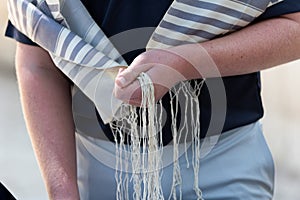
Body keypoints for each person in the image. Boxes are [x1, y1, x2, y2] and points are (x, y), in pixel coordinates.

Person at [5, 0, 300, 199]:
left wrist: (188, 62)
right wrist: (63, 190)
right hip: (100, 173)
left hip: (222, 165)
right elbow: (38, 58)